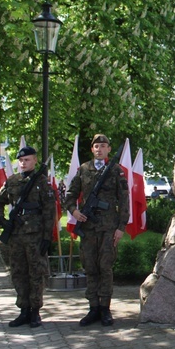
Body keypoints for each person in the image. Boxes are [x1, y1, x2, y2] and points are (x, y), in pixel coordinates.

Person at [62, 134, 129, 327]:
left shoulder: (116, 171)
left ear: (109, 149)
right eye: (96, 146)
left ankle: (105, 308)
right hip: (89, 228)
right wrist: (74, 211)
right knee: (90, 267)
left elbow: (124, 201)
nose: (100, 149)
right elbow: (70, 194)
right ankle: (93, 307)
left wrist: (121, 227)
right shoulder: (83, 169)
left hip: (108, 227)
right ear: (92, 150)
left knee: (105, 268)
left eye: (103, 146)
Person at [0, 147, 56, 328]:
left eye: (27, 160)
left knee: (36, 273)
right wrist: (1, 220)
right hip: (16, 236)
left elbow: (49, 211)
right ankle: (23, 310)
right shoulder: (12, 181)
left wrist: (46, 237)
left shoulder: (42, 182)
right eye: (21, 160)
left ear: (35, 161)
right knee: (18, 273)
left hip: (35, 236)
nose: (23, 163)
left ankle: (35, 311)